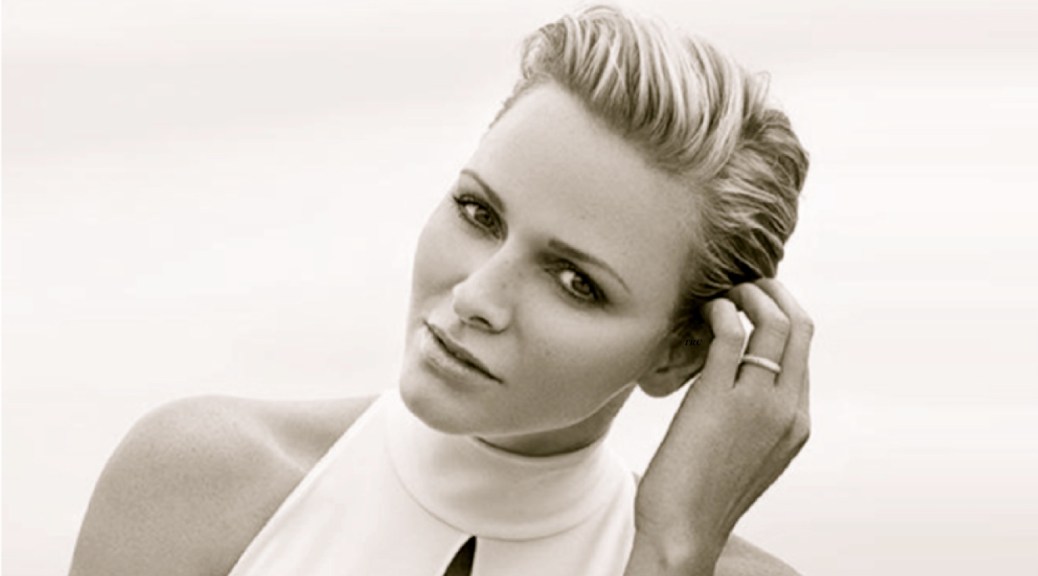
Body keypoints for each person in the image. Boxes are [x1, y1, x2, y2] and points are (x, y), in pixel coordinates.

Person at [69, 4, 812, 575]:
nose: (476, 298)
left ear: (680, 353)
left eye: (576, 282)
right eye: (479, 213)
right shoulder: (196, 483)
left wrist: (672, 551)